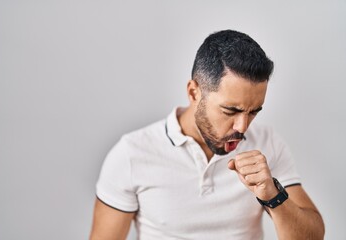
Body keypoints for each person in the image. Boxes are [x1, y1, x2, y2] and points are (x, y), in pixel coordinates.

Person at [89, 30, 325, 240]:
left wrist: (272, 195)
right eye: (230, 110)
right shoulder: (132, 154)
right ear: (194, 92)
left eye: (253, 112)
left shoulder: (268, 144)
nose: (243, 127)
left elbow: (313, 237)